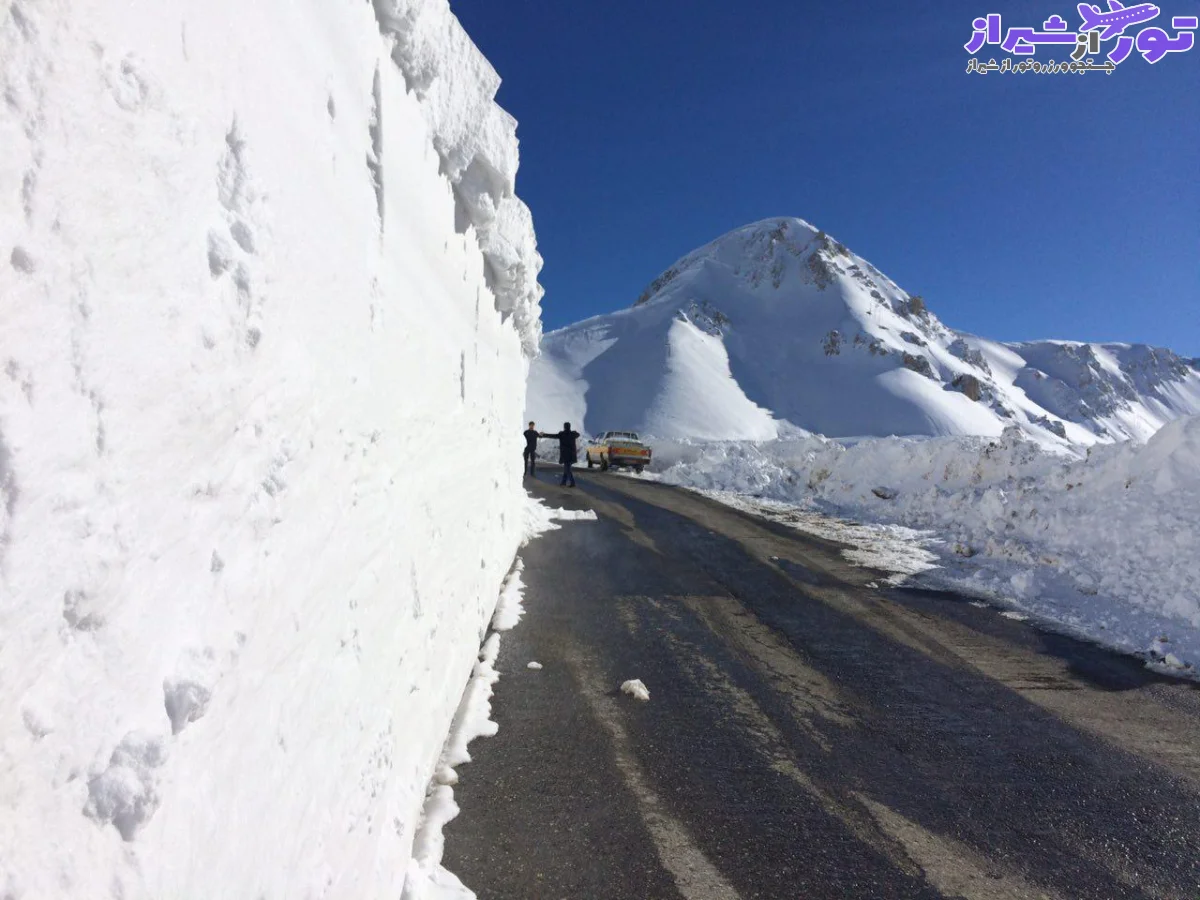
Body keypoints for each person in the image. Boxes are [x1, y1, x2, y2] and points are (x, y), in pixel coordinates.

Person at [541, 422, 581, 487]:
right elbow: (578, 434)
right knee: (566, 469)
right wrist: (574, 432)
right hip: (571, 455)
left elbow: (552, 436)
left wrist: (544, 434)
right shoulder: (573, 434)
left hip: (565, 455)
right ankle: (563, 482)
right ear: (569, 427)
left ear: (564, 427)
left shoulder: (562, 434)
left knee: (567, 469)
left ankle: (572, 482)